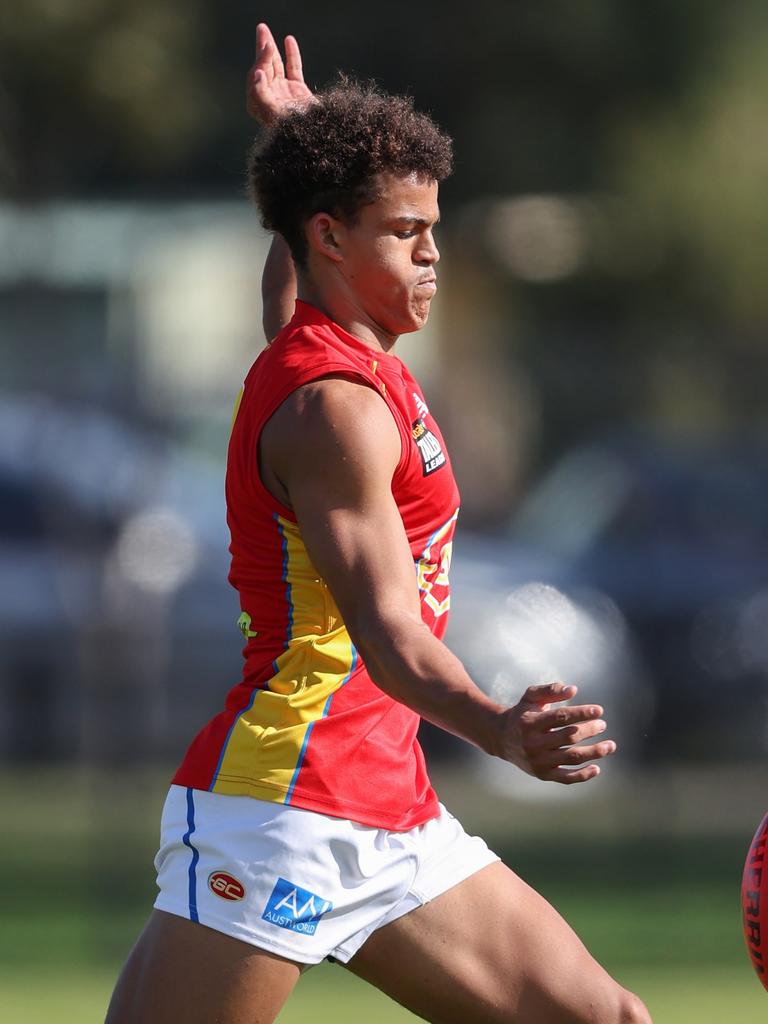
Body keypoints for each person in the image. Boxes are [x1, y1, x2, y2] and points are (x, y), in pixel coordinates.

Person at [106, 24, 652, 1024]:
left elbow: (289, 294)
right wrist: (498, 728)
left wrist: (293, 151)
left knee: (607, 1019)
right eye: (406, 231)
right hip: (286, 805)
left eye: (432, 226)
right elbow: (391, 637)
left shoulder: (332, 356)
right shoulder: (335, 412)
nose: (433, 253)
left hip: (388, 800)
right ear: (330, 237)